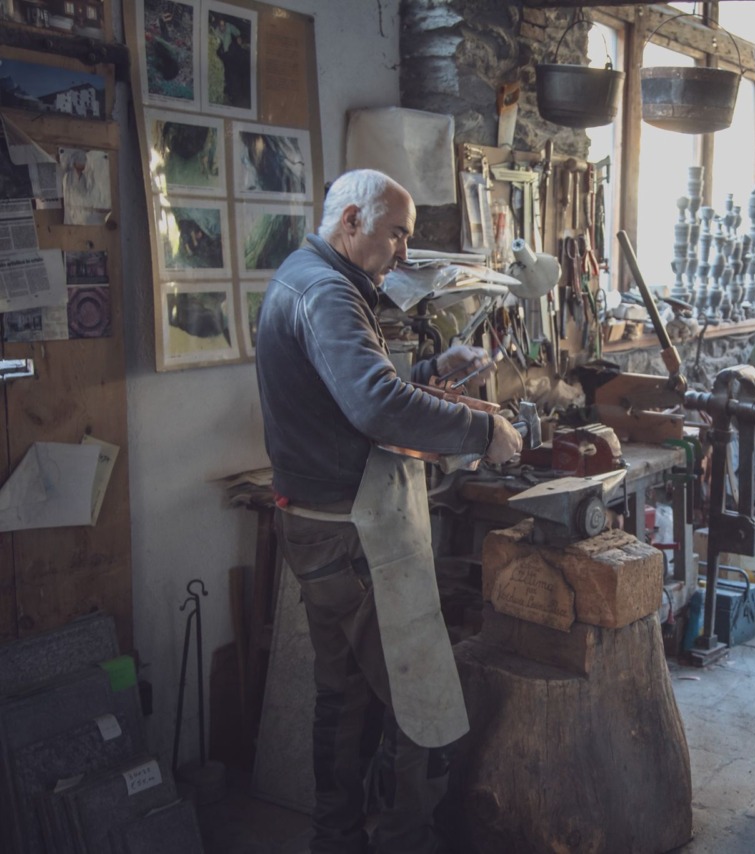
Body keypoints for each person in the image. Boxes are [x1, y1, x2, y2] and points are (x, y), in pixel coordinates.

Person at [255, 168, 522, 853]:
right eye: (396, 233)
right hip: (349, 533)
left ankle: (336, 840)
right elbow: (373, 405)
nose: (404, 250)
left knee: (345, 698)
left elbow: (353, 391)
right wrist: (481, 433)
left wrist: (433, 376)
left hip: (326, 525)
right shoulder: (326, 291)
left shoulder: (313, 277)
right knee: (422, 703)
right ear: (350, 222)